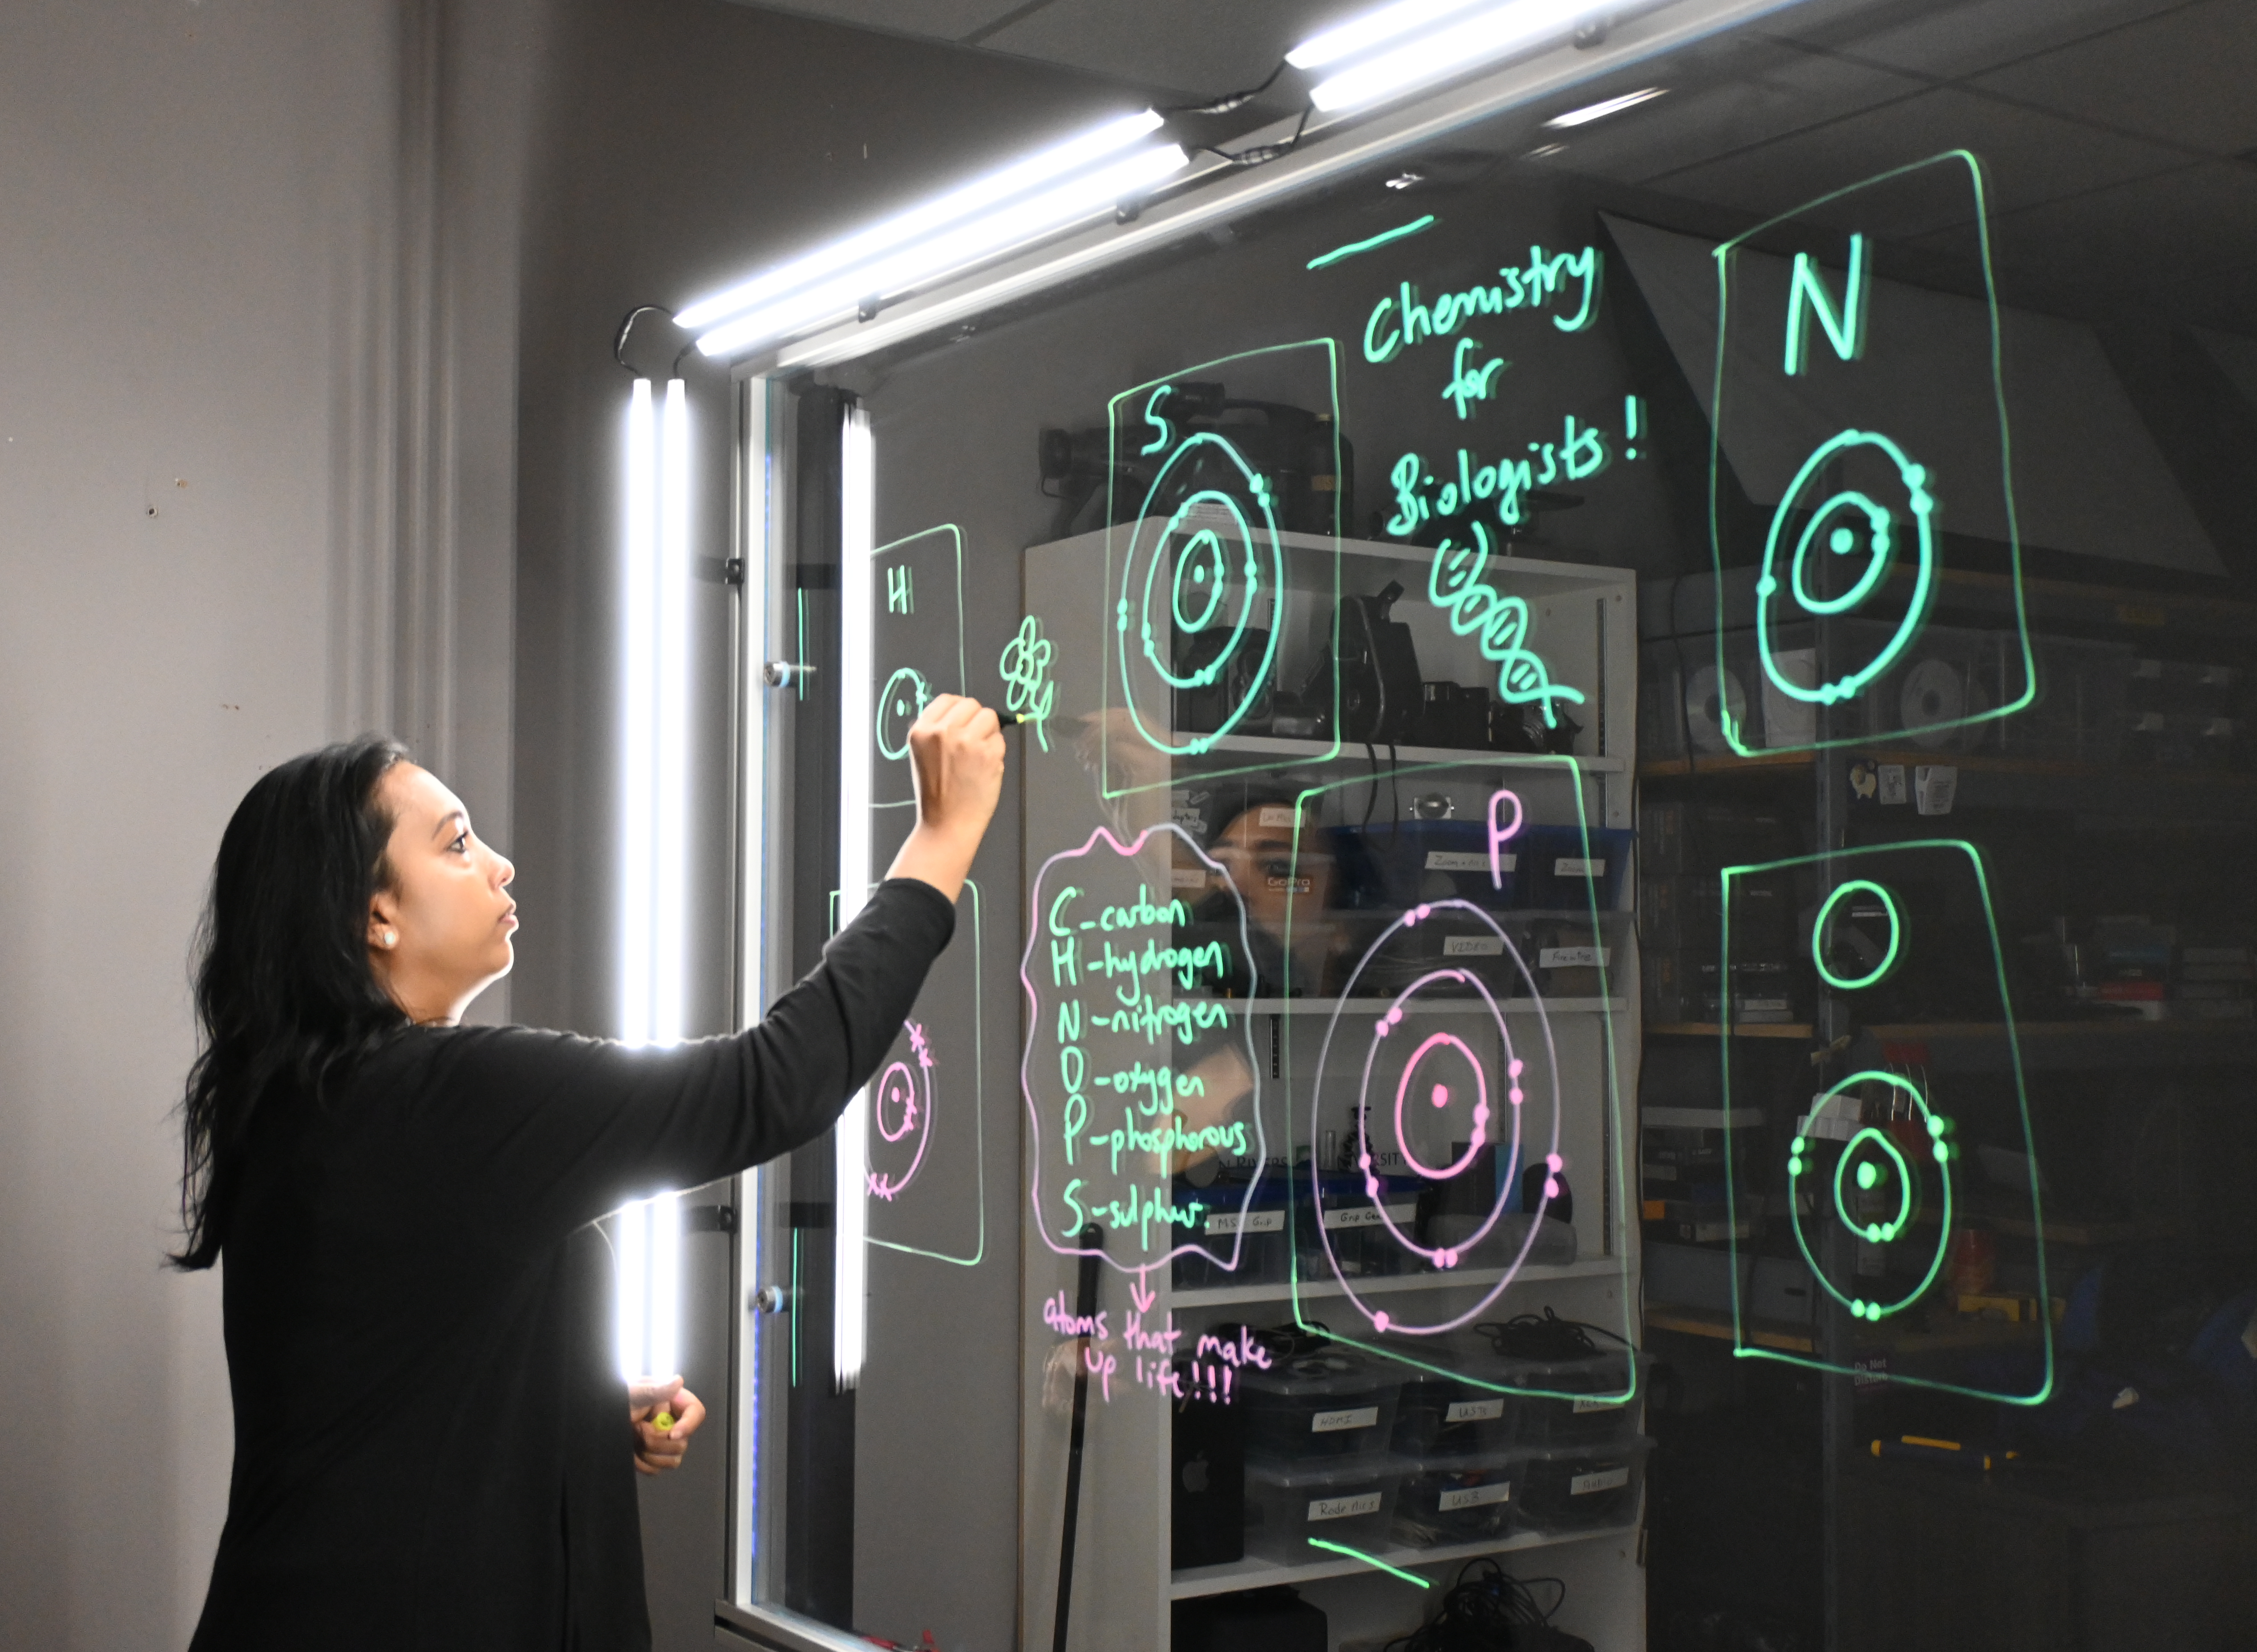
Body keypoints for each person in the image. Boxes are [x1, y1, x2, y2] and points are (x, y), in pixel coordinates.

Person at [173, 695, 1006, 1650]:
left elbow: (385, 1370)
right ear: (377, 914)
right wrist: (942, 837)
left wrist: (575, 1414)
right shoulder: (442, 1098)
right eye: (455, 843)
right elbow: (775, 1081)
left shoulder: (315, 1105)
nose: (498, 863)